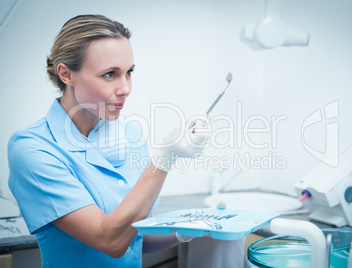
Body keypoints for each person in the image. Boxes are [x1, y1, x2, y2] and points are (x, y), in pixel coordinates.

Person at [8, 14, 209, 267]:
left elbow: (132, 237)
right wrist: (163, 159)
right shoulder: (32, 148)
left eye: (129, 73)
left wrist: (184, 232)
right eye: (109, 74)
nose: (125, 88)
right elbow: (109, 241)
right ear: (66, 74)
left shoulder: (131, 136)